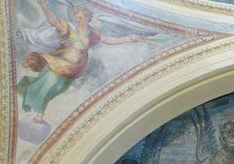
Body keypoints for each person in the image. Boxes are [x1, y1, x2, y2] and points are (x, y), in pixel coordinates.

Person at [17, 1, 146, 124]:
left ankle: (36, 104)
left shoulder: (92, 34)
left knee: (55, 90)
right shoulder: (70, 28)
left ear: (88, 17)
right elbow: (54, 21)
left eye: (81, 17)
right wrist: (44, 6)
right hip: (58, 62)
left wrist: (129, 38)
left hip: (74, 69)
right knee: (47, 85)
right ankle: (39, 112)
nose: (79, 19)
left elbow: (108, 39)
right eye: (77, 17)